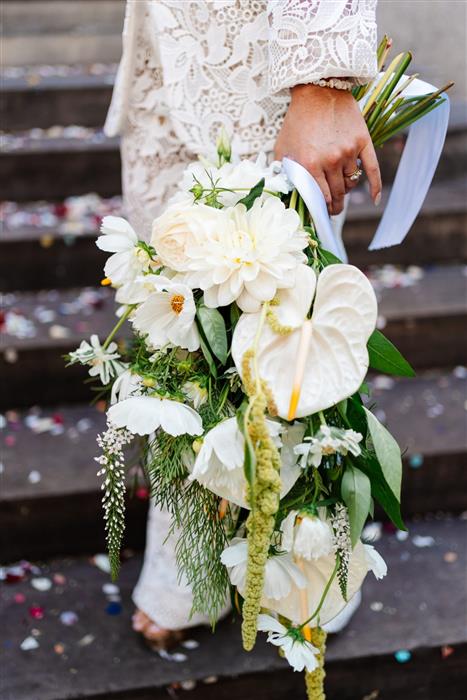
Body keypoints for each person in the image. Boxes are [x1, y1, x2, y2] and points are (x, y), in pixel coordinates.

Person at [104, 0, 381, 648]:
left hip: (258, 59)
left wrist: (323, 78)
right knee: (177, 318)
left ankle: (309, 559)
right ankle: (194, 552)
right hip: (167, 51)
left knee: (277, 301)